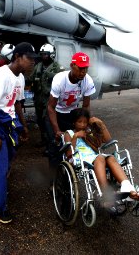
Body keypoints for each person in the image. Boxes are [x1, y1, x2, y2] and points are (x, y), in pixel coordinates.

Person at [0, 42, 39, 224]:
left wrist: (23, 126)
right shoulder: (0, 76)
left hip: (9, 120)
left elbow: (17, 103)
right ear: (17, 57)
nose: (32, 63)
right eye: (29, 59)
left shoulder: (19, 77)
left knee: (7, 159)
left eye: (34, 61)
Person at [64, 108, 139, 205]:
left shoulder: (89, 132)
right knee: (100, 157)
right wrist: (75, 136)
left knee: (111, 158)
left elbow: (108, 139)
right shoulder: (69, 133)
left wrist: (101, 123)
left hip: (94, 157)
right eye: (80, 122)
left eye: (85, 122)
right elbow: (68, 154)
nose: (83, 125)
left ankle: (127, 187)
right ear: (73, 122)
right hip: (79, 159)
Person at [46, 52, 96, 183]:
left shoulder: (87, 80)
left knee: (72, 146)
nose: (83, 72)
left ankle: (69, 178)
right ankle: (53, 182)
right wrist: (56, 130)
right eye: (80, 68)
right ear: (72, 65)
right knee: (55, 148)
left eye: (86, 68)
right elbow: (50, 107)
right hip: (56, 113)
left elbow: (85, 106)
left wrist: (85, 125)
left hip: (72, 114)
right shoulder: (59, 79)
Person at [26, 43, 64, 146]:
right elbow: (30, 78)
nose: (43, 56)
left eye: (46, 54)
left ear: (51, 55)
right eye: (42, 54)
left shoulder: (57, 68)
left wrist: (50, 75)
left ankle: (51, 141)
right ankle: (44, 139)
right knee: (40, 120)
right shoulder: (38, 66)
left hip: (50, 98)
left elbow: (62, 79)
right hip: (39, 98)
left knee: (48, 119)